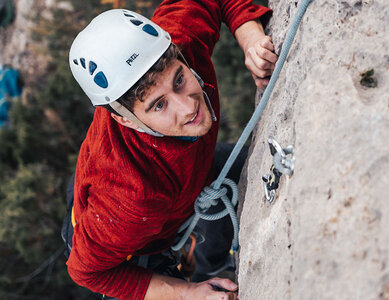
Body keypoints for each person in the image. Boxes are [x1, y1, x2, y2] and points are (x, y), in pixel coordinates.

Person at [63, 0, 277, 299]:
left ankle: (212, 268)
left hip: (181, 180)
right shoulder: (130, 197)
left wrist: (251, 39)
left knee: (244, 167)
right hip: (125, 241)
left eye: (179, 80)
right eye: (159, 105)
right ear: (128, 121)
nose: (189, 107)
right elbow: (87, 270)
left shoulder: (178, 43)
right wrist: (187, 293)